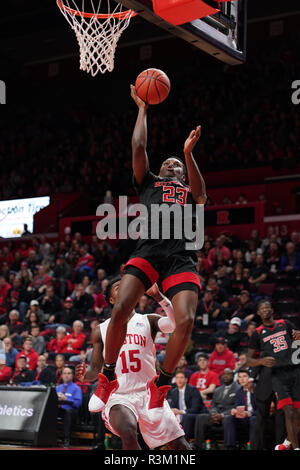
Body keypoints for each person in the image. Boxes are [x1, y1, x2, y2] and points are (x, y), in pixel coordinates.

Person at [94, 84, 207, 413]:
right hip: (148, 250)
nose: (173, 166)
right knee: (121, 310)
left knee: (185, 320)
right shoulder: (150, 182)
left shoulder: (188, 191)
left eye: (178, 166)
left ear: (184, 176)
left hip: (180, 258)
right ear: (160, 171)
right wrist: (143, 109)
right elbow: (139, 145)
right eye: (169, 163)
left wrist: (188, 153)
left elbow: (201, 195)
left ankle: (163, 381)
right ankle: (107, 375)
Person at [76, 278, 190, 450]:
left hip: (149, 395)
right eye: (117, 286)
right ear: (112, 299)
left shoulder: (148, 320)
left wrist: (159, 296)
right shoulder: (100, 329)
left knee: (180, 446)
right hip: (118, 394)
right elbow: (94, 368)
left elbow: (175, 325)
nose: (124, 286)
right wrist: (84, 376)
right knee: (128, 432)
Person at [246, 299, 300, 450]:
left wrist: (299, 336)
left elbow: (298, 338)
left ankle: (286, 443)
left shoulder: (285, 324)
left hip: (292, 372)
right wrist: (260, 362)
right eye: (262, 309)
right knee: (280, 413)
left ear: (272, 310)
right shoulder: (257, 333)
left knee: (293, 414)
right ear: (258, 313)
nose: (265, 310)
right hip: (273, 376)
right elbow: (250, 359)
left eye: (267, 308)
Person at [193, 368, 240, 449]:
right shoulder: (217, 390)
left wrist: (221, 415)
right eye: (223, 374)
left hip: (228, 416)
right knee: (201, 417)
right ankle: (197, 446)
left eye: (228, 374)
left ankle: (227, 447)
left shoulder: (238, 389)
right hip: (215, 416)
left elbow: (236, 406)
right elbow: (213, 406)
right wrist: (214, 414)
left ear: (232, 376)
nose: (225, 376)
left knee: (228, 419)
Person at [168, 369, 207, 441]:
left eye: (181, 377)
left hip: (196, 414)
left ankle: (185, 442)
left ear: (186, 380)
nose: (179, 380)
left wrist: (180, 412)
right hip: (181, 415)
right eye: (177, 378)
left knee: (186, 417)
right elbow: (172, 407)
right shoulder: (174, 392)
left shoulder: (193, 390)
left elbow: (196, 409)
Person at [225, 369, 256, 449]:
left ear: (250, 378)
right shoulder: (239, 391)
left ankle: (253, 447)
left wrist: (249, 413)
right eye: (239, 377)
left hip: (255, 417)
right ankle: (231, 447)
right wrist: (234, 410)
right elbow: (237, 406)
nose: (242, 379)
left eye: (244, 376)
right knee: (229, 418)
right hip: (244, 418)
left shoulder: (257, 389)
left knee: (253, 419)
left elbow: (262, 409)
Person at [56, 367, 83, 447]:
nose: (66, 375)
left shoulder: (76, 388)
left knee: (67, 412)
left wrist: (66, 398)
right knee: (49, 411)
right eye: (64, 373)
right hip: (59, 410)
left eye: (68, 373)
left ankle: (66, 439)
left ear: (72, 376)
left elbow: (78, 403)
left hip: (71, 412)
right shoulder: (58, 388)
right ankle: (49, 437)